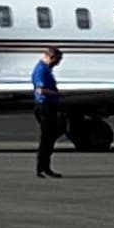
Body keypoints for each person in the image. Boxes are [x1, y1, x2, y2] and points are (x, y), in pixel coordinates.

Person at [30, 46, 65, 178]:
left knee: (50, 138)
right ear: (51, 57)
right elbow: (40, 90)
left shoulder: (46, 69)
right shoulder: (41, 70)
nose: (57, 64)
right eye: (57, 60)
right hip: (44, 107)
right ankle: (42, 168)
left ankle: (45, 168)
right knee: (46, 139)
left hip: (49, 106)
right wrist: (57, 94)